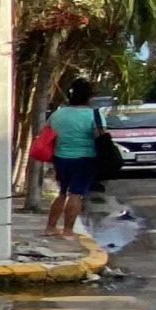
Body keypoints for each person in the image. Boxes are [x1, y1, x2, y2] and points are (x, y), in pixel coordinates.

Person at [42, 76, 104, 239]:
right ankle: (68, 230)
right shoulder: (94, 115)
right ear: (89, 97)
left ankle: (51, 226)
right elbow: (100, 136)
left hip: (60, 158)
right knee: (76, 194)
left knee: (62, 192)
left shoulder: (58, 114)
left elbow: (48, 132)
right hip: (85, 158)